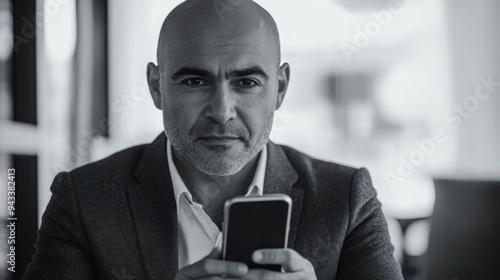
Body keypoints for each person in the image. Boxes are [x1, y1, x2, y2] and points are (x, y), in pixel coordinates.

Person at [24, 0, 403, 279]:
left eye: (247, 82)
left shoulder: (347, 199)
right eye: (194, 81)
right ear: (157, 88)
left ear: (281, 88)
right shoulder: (83, 199)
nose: (222, 111)